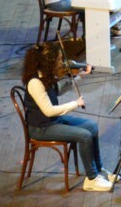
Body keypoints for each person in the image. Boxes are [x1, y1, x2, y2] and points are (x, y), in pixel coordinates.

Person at [21, 43, 114, 192]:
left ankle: (98, 169)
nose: (62, 63)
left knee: (91, 126)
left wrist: (78, 76)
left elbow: (57, 90)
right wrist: (75, 104)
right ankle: (91, 179)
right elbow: (49, 111)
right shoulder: (35, 83)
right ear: (49, 62)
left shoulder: (45, 76)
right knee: (84, 136)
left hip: (52, 122)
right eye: (59, 60)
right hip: (41, 128)